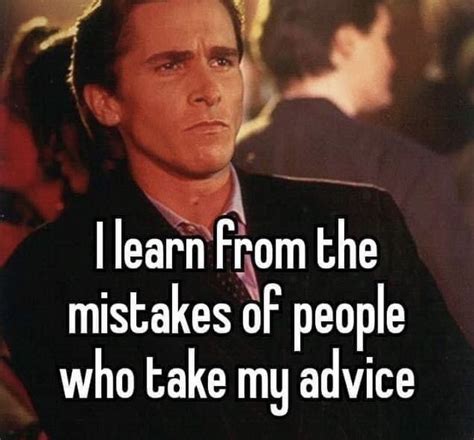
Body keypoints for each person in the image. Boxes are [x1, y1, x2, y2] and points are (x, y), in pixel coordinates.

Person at [2, 1, 473, 439]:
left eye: (223, 61)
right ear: (106, 101)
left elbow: (454, 406)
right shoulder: (49, 276)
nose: (209, 91)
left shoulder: (362, 222)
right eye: (171, 65)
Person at [234, 0, 474, 346]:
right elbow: (463, 318)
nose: (391, 59)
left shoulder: (224, 160)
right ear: (345, 42)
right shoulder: (405, 168)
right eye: (382, 38)